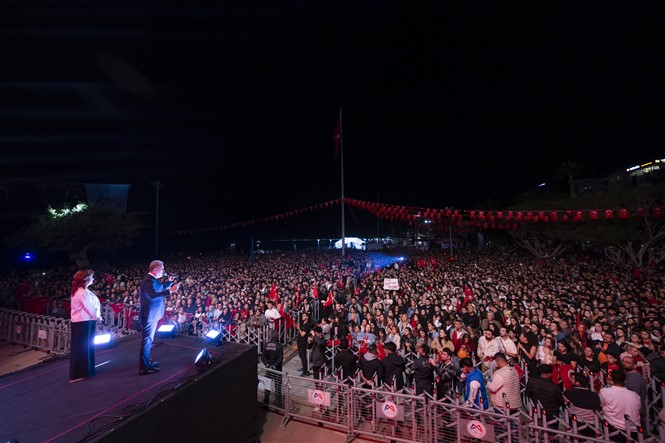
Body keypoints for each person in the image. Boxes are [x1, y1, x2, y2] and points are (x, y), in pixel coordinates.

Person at [138, 260, 180, 375]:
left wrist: (169, 283)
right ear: (155, 270)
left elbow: (159, 290)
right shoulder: (148, 281)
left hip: (153, 314)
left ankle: (146, 363)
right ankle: (144, 368)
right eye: (162, 268)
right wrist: (170, 291)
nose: (163, 271)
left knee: (149, 340)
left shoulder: (152, 280)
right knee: (147, 341)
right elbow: (152, 295)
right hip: (149, 315)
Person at [69, 269, 102, 382]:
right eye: (92, 277)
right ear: (86, 279)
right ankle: (79, 373)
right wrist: (97, 318)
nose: (93, 279)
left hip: (84, 322)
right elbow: (90, 308)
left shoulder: (83, 291)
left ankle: (85, 370)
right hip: (83, 322)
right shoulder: (82, 293)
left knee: (85, 347)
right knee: (82, 348)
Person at [599, 369, 641, 442]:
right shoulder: (635, 395)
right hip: (634, 431)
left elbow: (600, 404)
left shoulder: (604, 391)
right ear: (625, 381)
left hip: (615, 429)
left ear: (612, 379)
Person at [525, 364, 563, 429]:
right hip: (551, 415)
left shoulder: (532, 382)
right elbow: (560, 402)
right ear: (550, 374)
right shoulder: (555, 388)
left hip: (536, 413)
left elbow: (528, 394)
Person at [563, 373, 601, 438]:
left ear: (578, 383)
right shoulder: (594, 395)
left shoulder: (569, 393)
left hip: (576, 424)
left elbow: (564, 406)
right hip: (592, 425)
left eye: (572, 378)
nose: (570, 379)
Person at [261, 331, 283, 405]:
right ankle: (278, 403)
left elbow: (263, 356)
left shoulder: (266, 345)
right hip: (277, 369)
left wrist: (267, 365)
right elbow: (280, 358)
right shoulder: (279, 346)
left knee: (267, 386)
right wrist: (274, 366)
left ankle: (266, 401)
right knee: (277, 387)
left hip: (268, 369)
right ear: (277, 336)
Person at [296, 312, 312, 376]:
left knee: (303, 356)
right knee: (300, 355)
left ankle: (305, 371)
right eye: (302, 316)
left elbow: (303, 334)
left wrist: (299, 328)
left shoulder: (307, 325)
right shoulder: (302, 323)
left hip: (303, 342)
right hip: (299, 341)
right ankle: (304, 367)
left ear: (307, 317)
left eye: (304, 316)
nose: (303, 317)